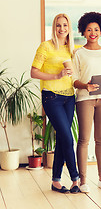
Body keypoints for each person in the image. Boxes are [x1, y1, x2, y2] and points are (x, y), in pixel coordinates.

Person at [31, 13, 80, 194]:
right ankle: (76, 178)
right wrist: (56, 76)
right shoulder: (46, 46)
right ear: (54, 27)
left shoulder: (72, 49)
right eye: (58, 25)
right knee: (68, 137)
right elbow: (33, 72)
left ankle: (56, 181)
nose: (62, 29)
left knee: (62, 137)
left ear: (69, 28)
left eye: (65, 25)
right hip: (51, 97)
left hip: (69, 97)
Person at [72, 12, 101, 193]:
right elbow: (73, 80)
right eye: (89, 29)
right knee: (83, 140)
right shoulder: (79, 53)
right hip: (84, 99)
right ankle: (83, 181)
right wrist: (85, 86)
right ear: (83, 31)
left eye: (96, 29)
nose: (93, 32)